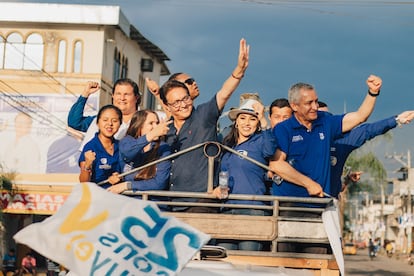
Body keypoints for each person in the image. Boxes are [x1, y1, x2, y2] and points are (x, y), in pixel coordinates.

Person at [269, 75, 382, 253]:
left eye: (316, 101)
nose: (315, 106)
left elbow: (360, 117)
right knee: (286, 265)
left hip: (320, 209)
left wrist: (373, 93)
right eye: (309, 103)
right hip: (289, 209)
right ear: (294, 106)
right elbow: (276, 165)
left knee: (317, 262)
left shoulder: (325, 121)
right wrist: (308, 183)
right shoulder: (283, 129)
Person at [158, 38, 249, 212]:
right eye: (176, 102)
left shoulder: (203, 115)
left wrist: (239, 71)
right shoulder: (163, 129)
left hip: (201, 201)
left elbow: (224, 94)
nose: (183, 105)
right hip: (169, 202)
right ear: (166, 106)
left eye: (185, 98)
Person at [212, 98, 276, 251]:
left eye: (252, 119)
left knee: (248, 260)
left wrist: (264, 120)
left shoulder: (261, 140)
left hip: (253, 208)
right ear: (236, 121)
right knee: (225, 257)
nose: (247, 123)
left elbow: (270, 150)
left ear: (258, 123)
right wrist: (217, 188)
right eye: (242, 118)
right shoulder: (228, 145)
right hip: (228, 207)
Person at [319, 103, 414, 198]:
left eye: (329, 117)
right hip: (305, 203)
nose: (326, 121)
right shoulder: (304, 139)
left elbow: (368, 130)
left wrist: (396, 120)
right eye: (320, 116)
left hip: (328, 204)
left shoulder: (342, 141)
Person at [107, 109, 171, 195]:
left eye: (157, 123)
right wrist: (151, 135)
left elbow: (159, 183)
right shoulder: (127, 141)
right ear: (139, 125)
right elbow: (128, 153)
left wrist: (127, 185)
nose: (156, 127)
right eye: (151, 123)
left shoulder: (163, 147)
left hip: (153, 201)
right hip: (130, 200)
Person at [68, 78, 141, 149]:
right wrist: (85, 94)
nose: (122, 98)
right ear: (113, 96)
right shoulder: (100, 119)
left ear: (136, 97)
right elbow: (74, 122)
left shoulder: (143, 122)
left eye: (127, 94)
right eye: (118, 94)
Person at [78, 105, 122, 188]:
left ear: (120, 124)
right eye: (105, 120)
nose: (110, 124)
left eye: (115, 121)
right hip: (97, 196)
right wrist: (87, 165)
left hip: (118, 196)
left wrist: (120, 176)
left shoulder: (121, 146)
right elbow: (83, 182)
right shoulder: (90, 147)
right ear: (97, 123)